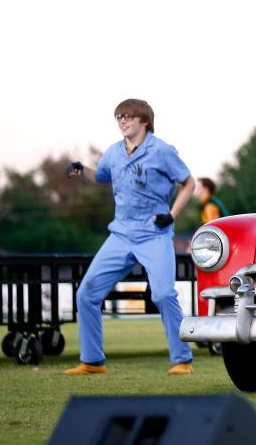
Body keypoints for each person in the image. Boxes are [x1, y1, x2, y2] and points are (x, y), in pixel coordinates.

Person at [64, 99, 196, 376]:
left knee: (162, 294)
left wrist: (172, 214)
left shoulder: (161, 150)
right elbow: (101, 177)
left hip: (154, 233)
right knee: (86, 294)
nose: (123, 121)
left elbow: (189, 183)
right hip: (121, 234)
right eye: (119, 117)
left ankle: (182, 360)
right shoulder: (113, 153)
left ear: (144, 121)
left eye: (128, 116)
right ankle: (92, 362)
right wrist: (81, 169)